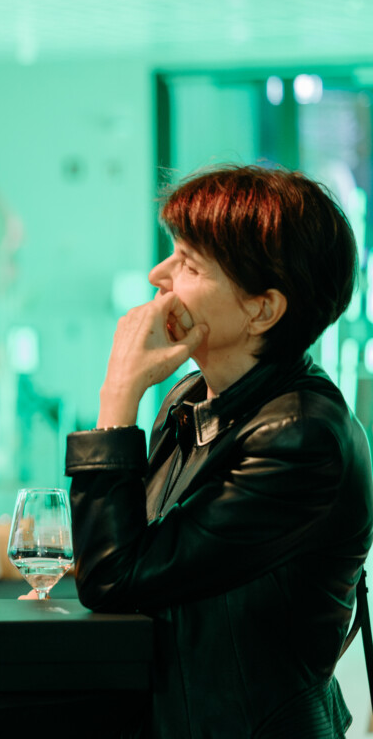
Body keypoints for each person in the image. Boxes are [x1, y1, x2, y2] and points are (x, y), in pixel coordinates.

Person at [66, 165, 373, 737]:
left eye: (189, 264)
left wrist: (118, 395)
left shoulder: (300, 436)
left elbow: (114, 578)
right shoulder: (192, 398)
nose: (159, 276)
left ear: (262, 309)